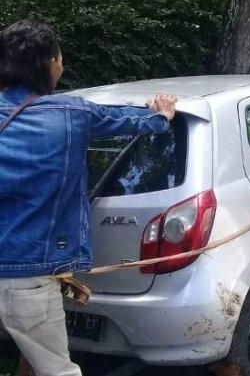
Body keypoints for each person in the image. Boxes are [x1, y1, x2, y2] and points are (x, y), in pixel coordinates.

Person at [0, 20, 177, 375]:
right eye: (59, 57)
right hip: (27, 276)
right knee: (58, 371)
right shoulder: (71, 114)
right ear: (51, 64)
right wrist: (161, 115)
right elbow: (131, 120)